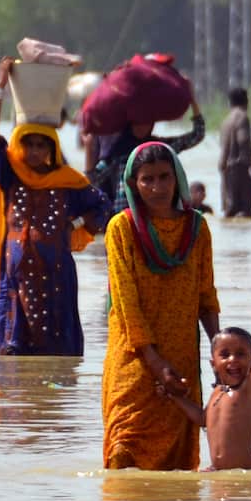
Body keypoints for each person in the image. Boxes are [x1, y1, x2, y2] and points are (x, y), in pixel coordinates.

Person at [101, 142, 220, 471]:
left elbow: (206, 295)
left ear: (177, 179)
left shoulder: (197, 228)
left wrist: (219, 347)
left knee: (177, 468)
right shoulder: (121, 229)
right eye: (147, 179)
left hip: (180, 360)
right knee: (123, 452)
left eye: (165, 177)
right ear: (134, 185)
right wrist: (154, 362)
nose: (157, 187)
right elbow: (126, 304)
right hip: (135, 361)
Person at [0, 56, 112, 357]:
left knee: (59, 357)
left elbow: (102, 208)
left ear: (52, 149)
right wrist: (0, 86)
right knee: (15, 361)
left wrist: (74, 226)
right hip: (16, 280)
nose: (34, 152)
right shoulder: (11, 175)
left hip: (57, 279)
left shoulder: (68, 182)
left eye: (42, 145)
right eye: (29, 144)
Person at [163, 304, 251, 470]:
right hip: (218, 472)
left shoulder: (248, 389)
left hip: (245, 472)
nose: (232, 359)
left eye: (241, 354)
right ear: (213, 364)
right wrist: (175, 397)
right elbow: (202, 419)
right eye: (225, 354)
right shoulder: (217, 392)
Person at [89, 91, 205, 218]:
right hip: (127, 217)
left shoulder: (159, 148)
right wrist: (89, 148)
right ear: (130, 123)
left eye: (147, 121)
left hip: (157, 216)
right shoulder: (118, 152)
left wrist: (192, 100)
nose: (142, 126)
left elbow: (197, 134)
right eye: (138, 122)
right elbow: (93, 178)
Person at [219, 87, 251, 217]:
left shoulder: (226, 120)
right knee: (245, 210)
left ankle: (229, 237)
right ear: (246, 101)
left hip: (226, 168)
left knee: (230, 208)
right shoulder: (242, 117)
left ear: (229, 102)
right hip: (239, 166)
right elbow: (243, 140)